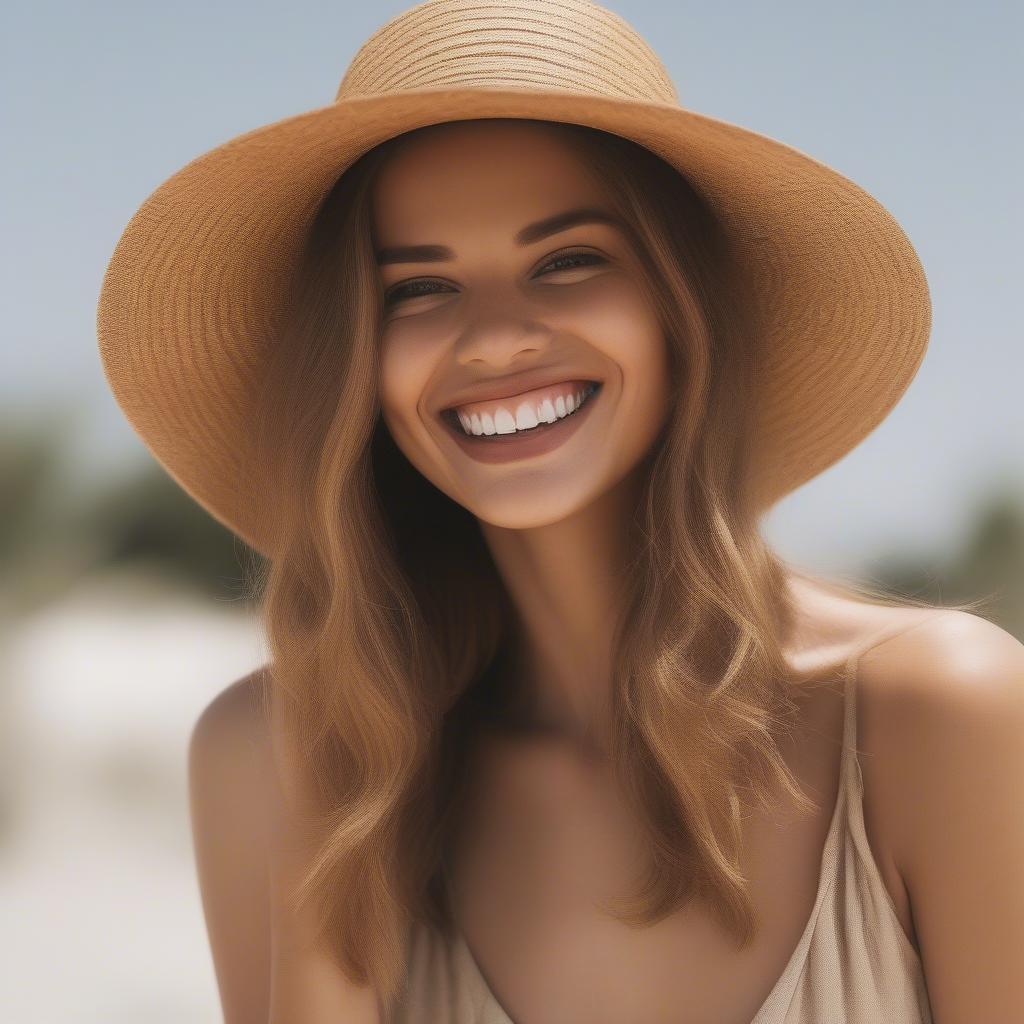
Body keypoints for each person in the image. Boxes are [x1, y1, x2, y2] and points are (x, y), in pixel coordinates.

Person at [96, 2, 1024, 1022]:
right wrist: (336, 804)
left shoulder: (936, 712)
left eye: (568, 260)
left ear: (682, 308)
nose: (493, 339)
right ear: (355, 358)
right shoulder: (266, 755)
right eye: (416, 288)